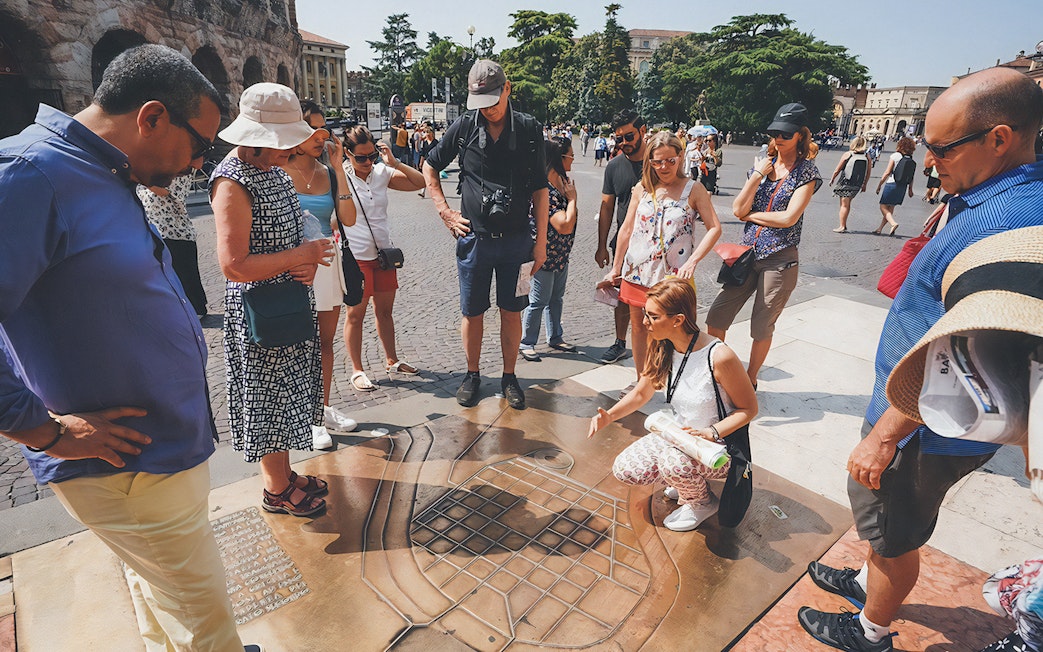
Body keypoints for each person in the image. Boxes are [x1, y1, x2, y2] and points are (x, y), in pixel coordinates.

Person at [0, 44, 263, 651]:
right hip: (124, 467)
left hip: (153, 458)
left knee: (167, 598)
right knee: (206, 620)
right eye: (201, 146)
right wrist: (44, 432)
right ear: (151, 117)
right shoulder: (31, 174)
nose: (202, 165)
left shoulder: (100, 171)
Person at [797, 67, 1043, 652]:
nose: (929, 161)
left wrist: (885, 434)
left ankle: (870, 629)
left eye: (940, 147)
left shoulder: (1002, 218)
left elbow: (966, 348)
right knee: (884, 520)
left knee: (895, 533)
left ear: (999, 138)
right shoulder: (1000, 193)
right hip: (921, 413)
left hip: (921, 423)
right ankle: (865, 582)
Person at [211, 82, 335, 518]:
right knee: (267, 398)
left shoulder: (272, 170)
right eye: (280, 144)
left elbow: (295, 225)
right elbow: (235, 266)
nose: (290, 150)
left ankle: (284, 475)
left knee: (284, 395)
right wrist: (299, 257)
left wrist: (306, 257)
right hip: (261, 312)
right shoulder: (232, 181)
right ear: (254, 142)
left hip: (285, 301)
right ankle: (275, 487)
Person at [422, 59, 548, 410]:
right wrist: (445, 212)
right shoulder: (464, 126)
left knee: (512, 312)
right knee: (472, 312)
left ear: (507, 89)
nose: (487, 110)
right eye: (480, 103)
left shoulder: (528, 129)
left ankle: (510, 376)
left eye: (493, 101)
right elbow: (429, 165)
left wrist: (541, 244)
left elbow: (540, 189)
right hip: (474, 240)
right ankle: (472, 374)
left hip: (518, 240)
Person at [588, 278, 757, 531]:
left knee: (673, 462)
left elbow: (749, 409)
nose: (645, 322)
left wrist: (711, 433)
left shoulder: (719, 356)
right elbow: (641, 392)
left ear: (677, 320)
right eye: (646, 313)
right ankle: (685, 481)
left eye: (653, 316)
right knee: (626, 469)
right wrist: (609, 416)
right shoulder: (662, 344)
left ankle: (702, 502)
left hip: (719, 446)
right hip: (680, 436)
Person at [705, 102, 822, 388]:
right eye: (775, 133)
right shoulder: (761, 165)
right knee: (716, 316)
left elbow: (788, 218)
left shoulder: (806, 172)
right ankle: (719, 371)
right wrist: (757, 175)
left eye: (786, 133)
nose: (779, 138)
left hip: (779, 260)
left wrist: (751, 216)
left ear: (799, 135)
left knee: (761, 326)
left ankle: (750, 378)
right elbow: (736, 208)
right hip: (746, 256)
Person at [601, 131, 722, 390]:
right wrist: (616, 267)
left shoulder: (694, 189)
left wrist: (693, 261)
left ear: (680, 158)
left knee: (677, 331)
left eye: (670, 160)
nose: (664, 167)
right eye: (657, 161)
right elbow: (626, 229)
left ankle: (680, 383)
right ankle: (641, 382)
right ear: (649, 161)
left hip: (673, 277)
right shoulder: (642, 188)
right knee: (640, 328)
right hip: (637, 271)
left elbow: (714, 228)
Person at [284, 100, 359, 448]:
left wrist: (340, 169)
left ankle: (321, 409)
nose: (322, 134)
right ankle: (303, 415)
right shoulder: (279, 170)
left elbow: (349, 219)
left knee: (324, 343)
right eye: (313, 128)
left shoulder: (328, 173)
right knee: (296, 343)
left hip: (326, 264)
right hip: (289, 269)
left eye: (323, 127)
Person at [340, 125, 426, 391]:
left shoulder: (380, 172)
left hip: (383, 255)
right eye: (361, 157)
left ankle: (392, 360)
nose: (368, 162)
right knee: (355, 315)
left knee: (385, 312)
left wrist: (395, 161)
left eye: (372, 155)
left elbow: (420, 183)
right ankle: (357, 370)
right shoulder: (340, 176)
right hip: (356, 257)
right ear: (347, 153)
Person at [596, 110, 649, 365]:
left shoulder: (658, 161)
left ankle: (660, 344)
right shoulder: (615, 165)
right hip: (625, 243)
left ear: (643, 130)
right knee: (623, 297)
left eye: (629, 136)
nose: (624, 143)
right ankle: (619, 342)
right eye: (619, 139)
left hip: (655, 245)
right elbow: (607, 206)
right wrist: (601, 245)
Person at [520, 137, 578, 362]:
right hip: (543, 255)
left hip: (561, 255)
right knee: (539, 300)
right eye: (570, 155)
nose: (573, 158)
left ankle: (555, 336)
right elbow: (563, 225)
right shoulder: (546, 190)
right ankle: (527, 342)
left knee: (556, 298)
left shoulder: (562, 184)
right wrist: (572, 201)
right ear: (559, 158)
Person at [136, 173, 209, 316]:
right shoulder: (150, 173)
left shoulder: (180, 171)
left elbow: (164, 190)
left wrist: (139, 177)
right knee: (168, 276)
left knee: (185, 276)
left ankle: (196, 310)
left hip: (176, 233)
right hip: (155, 232)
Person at [873, 136, 917, 236]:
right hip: (903, 186)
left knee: (883, 206)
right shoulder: (910, 158)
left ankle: (893, 223)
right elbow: (911, 176)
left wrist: (879, 184)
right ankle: (880, 229)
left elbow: (887, 172)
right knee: (891, 207)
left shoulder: (895, 156)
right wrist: (910, 189)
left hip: (892, 183)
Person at [829, 135, 873, 233]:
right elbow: (868, 172)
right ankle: (843, 224)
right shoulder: (867, 156)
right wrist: (865, 184)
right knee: (847, 204)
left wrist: (832, 178)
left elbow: (838, 169)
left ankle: (842, 226)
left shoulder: (848, 154)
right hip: (857, 184)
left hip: (845, 182)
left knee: (844, 205)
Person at [416, 125, 439, 198]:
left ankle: (437, 193)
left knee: (434, 178)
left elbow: (438, 153)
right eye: (425, 132)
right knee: (424, 177)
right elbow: (423, 153)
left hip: (433, 162)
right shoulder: (425, 142)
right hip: (426, 161)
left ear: (431, 133)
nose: (426, 134)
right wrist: (421, 162)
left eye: (427, 132)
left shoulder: (435, 142)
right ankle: (423, 192)